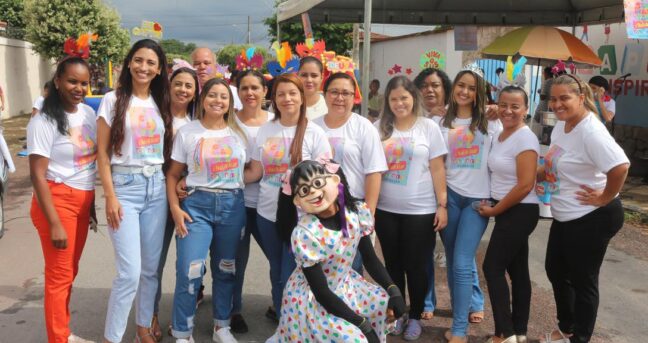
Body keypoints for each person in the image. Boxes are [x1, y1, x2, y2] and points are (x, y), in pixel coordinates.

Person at [266, 159, 407, 343]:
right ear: (298, 201)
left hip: (346, 286)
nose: (314, 192)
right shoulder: (306, 233)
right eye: (305, 190)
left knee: (382, 305)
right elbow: (322, 293)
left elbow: (370, 259)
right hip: (311, 301)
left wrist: (393, 291)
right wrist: (362, 324)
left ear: (334, 180)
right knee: (355, 339)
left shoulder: (356, 213)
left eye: (317, 183)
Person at [539, 75, 629, 343]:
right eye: (553, 99)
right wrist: (531, 177)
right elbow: (555, 163)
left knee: (583, 280)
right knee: (555, 270)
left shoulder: (591, 131)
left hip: (593, 216)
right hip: (566, 214)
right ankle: (567, 327)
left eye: (564, 98)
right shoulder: (563, 126)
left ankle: (580, 337)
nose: (557, 104)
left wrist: (604, 197)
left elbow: (620, 166)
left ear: (581, 97)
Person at [97, 39, 172, 343]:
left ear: (158, 69)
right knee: (129, 273)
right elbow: (101, 153)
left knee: (151, 269)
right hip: (125, 188)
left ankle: (143, 327)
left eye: (151, 62)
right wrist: (110, 195)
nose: (144, 67)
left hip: (156, 188)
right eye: (138, 60)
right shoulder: (113, 100)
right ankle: (112, 338)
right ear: (128, 63)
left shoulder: (160, 101)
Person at [244, 73, 331, 324]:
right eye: (280, 93)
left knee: (288, 274)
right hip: (267, 214)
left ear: (302, 97)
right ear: (273, 98)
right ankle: (284, 323)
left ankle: (295, 326)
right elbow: (255, 172)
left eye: (292, 93)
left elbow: (323, 181)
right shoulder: (265, 130)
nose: (286, 98)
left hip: (302, 220)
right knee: (276, 270)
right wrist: (218, 177)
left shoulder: (315, 132)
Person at [167, 78, 248, 343]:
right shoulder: (188, 132)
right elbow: (173, 174)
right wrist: (175, 208)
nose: (218, 100)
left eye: (223, 97)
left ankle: (221, 326)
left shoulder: (240, 134)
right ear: (202, 100)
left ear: (230, 103)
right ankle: (182, 331)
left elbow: (253, 169)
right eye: (212, 95)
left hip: (232, 207)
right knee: (189, 269)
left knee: (226, 269)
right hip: (195, 208)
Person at [27, 56, 97, 343]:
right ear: (57, 81)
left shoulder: (88, 115)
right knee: (59, 277)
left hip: (82, 201)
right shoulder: (43, 120)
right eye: (72, 81)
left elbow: (88, 166)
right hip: (56, 201)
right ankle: (58, 338)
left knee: (69, 273)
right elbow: (37, 175)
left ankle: (63, 333)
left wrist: (90, 207)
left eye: (84, 83)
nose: (78, 88)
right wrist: (54, 222)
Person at [374, 75, 448, 340]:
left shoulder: (428, 127)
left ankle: (416, 317)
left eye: (404, 97)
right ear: (387, 101)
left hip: (420, 210)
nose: (399, 103)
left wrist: (442, 204)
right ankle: (399, 312)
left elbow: (438, 167)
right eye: (393, 99)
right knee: (392, 265)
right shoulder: (378, 128)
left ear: (413, 98)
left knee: (416, 266)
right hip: (385, 210)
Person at [437, 67, 502, 343]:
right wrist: (440, 202)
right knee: (452, 258)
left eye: (472, 88)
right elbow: (438, 165)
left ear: (479, 94)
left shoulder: (490, 122)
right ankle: (459, 316)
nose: (465, 91)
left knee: (463, 261)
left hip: (477, 202)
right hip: (449, 197)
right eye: (461, 85)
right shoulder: (441, 123)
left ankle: (460, 331)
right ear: (453, 89)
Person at [479, 86, 540, 343]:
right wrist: (489, 110)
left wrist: (495, 209)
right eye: (503, 104)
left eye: (516, 106)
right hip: (510, 210)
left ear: (526, 110)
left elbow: (525, 185)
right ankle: (520, 331)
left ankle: (505, 333)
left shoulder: (525, 138)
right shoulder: (502, 133)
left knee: (492, 266)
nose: (508, 110)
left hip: (520, 210)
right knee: (518, 272)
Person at [313, 72, 387, 274]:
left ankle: (350, 307)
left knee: (350, 270)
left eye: (346, 93)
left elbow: (374, 172)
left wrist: (368, 213)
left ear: (354, 97)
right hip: (320, 209)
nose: (339, 98)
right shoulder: (313, 126)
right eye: (334, 92)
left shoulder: (364, 127)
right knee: (321, 267)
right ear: (325, 94)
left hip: (353, 208)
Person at [151, 66, 199, 341]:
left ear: (195, 92)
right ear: (169, 86)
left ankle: (185, 318)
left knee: (188, 263)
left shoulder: (199, 121)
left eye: (189, 86)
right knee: (154, 263)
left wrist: (186, 178)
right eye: (178, 84)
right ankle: (151, 315)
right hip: (156, 196)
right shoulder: (156, 116)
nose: (183, 89)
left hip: (187, 199)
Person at [230, 69, 274, 333]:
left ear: (264, 91)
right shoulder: (229, 122)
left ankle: (282, 305)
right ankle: (234, 310)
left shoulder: (274, 121)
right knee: (235, 262)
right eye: (244, 88)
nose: (249, 93)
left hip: (271, 206)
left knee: (280, 260)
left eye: (255, 88)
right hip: (238, 203)